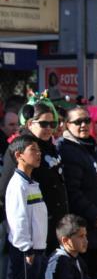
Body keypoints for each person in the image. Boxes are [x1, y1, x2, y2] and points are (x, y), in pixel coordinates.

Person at [1, 98, 69, 254]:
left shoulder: (50, 146)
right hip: (33, 230)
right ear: (30, 123)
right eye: (43, 124)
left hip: (54, 226)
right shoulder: (21, 148)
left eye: (52, 124)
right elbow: (6, 190)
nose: (49, 128)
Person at [59, 106, 97, 279]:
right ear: (67, 125)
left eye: (86, 120)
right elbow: (73, 191)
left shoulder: (92, 146)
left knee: (95, 273)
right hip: (83, 224)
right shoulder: (68, 149)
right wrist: (93, 215)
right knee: (85, 275)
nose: (83, 125)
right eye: (78, 121)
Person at [5, 134, 48, 279]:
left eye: (39, 150)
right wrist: (27, 249)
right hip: (25, 252)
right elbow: (18, 220)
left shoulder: (32, 182)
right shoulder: (17, 184)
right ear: (19, 155)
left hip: (37, 250)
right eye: (33, 149)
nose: (38, 153)